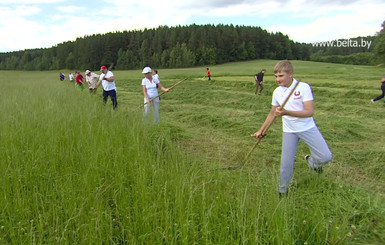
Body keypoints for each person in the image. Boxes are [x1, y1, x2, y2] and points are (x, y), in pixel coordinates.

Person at [253, 60, 332, 195]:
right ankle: (282, 191)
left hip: (307, 127)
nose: (278, 79)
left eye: (281, 76)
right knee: (286, 164)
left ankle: (312, 163)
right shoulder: (277, 92)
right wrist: (261, 130)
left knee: (325, 157)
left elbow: (309, 112)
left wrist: (286, 112)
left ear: (291, 74)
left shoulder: (303, 87)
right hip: (289, 130)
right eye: (276, 76)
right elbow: (273, 113)